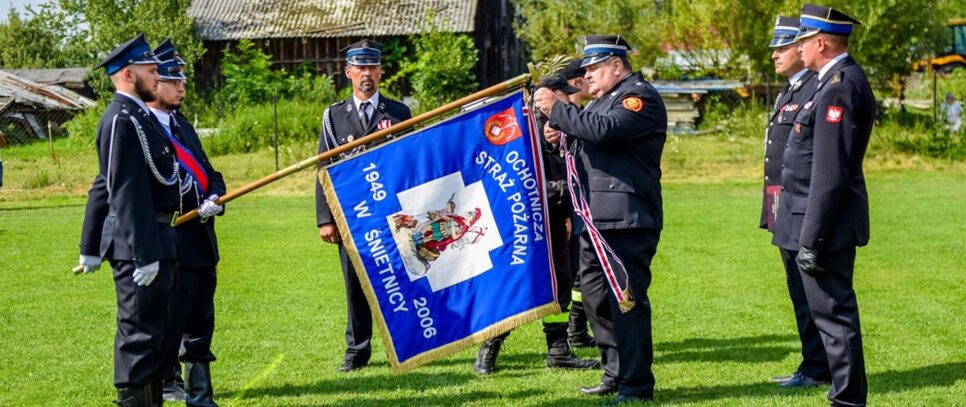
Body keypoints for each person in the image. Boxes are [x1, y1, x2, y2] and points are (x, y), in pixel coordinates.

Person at [534, 34, 667, 404]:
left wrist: (559, 110)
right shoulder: (603, 101)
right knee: (595, 300)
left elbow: (605, 132)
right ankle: (615, 371)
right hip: (593, 218)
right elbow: (588, 141)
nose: (587, 76)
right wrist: (560, 133)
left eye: (593, 68)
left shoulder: (638, 97)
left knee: (626, 300)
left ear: (617, 66)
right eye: (586, 69)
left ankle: (637, 384)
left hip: (625, 219)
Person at [774, 4, 875, 406]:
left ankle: (848, 399)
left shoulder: (839, 86)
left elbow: (830, 173)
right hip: (813, 221)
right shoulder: (828, 81)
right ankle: (842, 393)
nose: (797, 50)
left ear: (819, 42)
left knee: (834, 317)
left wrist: (811, 239)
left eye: (803, 41)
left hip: (825, 226)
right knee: (828, 316)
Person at [77, 33, 180, 406]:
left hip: (159, 233)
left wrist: (90, 245)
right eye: (151, 71)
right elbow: (121, 189)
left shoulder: (141, 117)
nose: (158, 77)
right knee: (138, 336)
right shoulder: (122, 119)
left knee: (156, 335)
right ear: (125, 74)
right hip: (141, 241)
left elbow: (102, 185)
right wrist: (144, 252)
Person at [473, 75, 600, 375]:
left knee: (561, 285)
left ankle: (558, 350)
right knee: (521, 285)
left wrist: (567, 206)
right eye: (563, 94)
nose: (569, 99)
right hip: (526, 224)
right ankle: (490, 345)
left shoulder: (561, 125)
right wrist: (564, 191)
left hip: (557, 218)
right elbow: (520, 179)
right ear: (548, 96)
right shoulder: (522, 127)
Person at [315, 39, 412, 372]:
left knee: (398, 281)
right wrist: (325, 220)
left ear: (381, 72)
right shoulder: (333, 117)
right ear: (348, 72)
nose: (366, 74)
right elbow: (322, 170)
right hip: (350, 218)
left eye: (372, 67)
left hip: (391, 217)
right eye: (360, 68)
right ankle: (357, 350)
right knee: (355, 286)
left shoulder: (399, 113)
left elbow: (410, 165)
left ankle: (405, 343)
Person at [148, 39, 225, 407]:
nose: (181, 86)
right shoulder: (143, 128)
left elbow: (211, 173)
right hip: (170, 242)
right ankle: (164, 384)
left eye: (182, 80)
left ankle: (200, 394)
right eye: (172, 79)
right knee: (169, 321)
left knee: (200, 321)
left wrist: (214, 198)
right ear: (152, 82)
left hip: (200, 240)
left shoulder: (181, 125)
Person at [762, 16, 830, 389]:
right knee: (796, 289)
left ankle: (818, 367)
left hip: (800, 202)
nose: (776, 54)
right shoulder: (791, 89)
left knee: (809, 291)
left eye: (784, 46)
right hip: (781, 202)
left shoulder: (813, 88)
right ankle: (812, 363)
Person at [558, 60, 597, 350]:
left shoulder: (581, 114)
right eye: (585, 75)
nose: (589, 80)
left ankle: (577, 330)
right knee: (556, 276)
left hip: (582, 205)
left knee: (581, 275)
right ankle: (490, 347)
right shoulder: (549, 119)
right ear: (575, 82)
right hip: (560, 207)